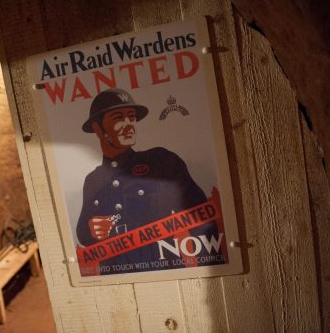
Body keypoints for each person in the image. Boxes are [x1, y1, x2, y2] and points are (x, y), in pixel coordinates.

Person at [75, 88, 223, 275]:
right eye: (118, 118)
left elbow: (203, 217)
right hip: (116, 279)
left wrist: (209, 269)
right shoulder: (93, 180)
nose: (129, 124)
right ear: (97, 129)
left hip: (165, 271)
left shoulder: (161, 161)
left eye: (132, 117)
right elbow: (82, 233)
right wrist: (92, 229)